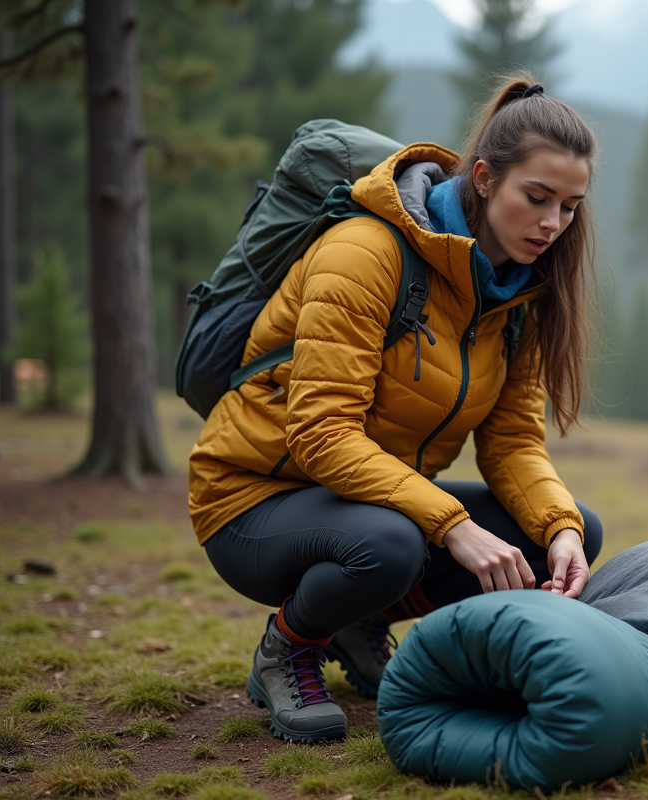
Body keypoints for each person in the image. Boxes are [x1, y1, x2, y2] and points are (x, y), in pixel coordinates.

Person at [187, 76, 604, 743]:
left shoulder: (516, 297)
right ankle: (287, 650)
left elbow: (513, 444)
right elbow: (321, 432)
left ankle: (355, 623)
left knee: (566, 530)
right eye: (538, 198)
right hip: (253, 497)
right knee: (393, 542)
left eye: (571, 206)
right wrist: (451, 524)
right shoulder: (368, 252)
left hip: (370, 504)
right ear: (486, 179)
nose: (554, 224)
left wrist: (560, 529)